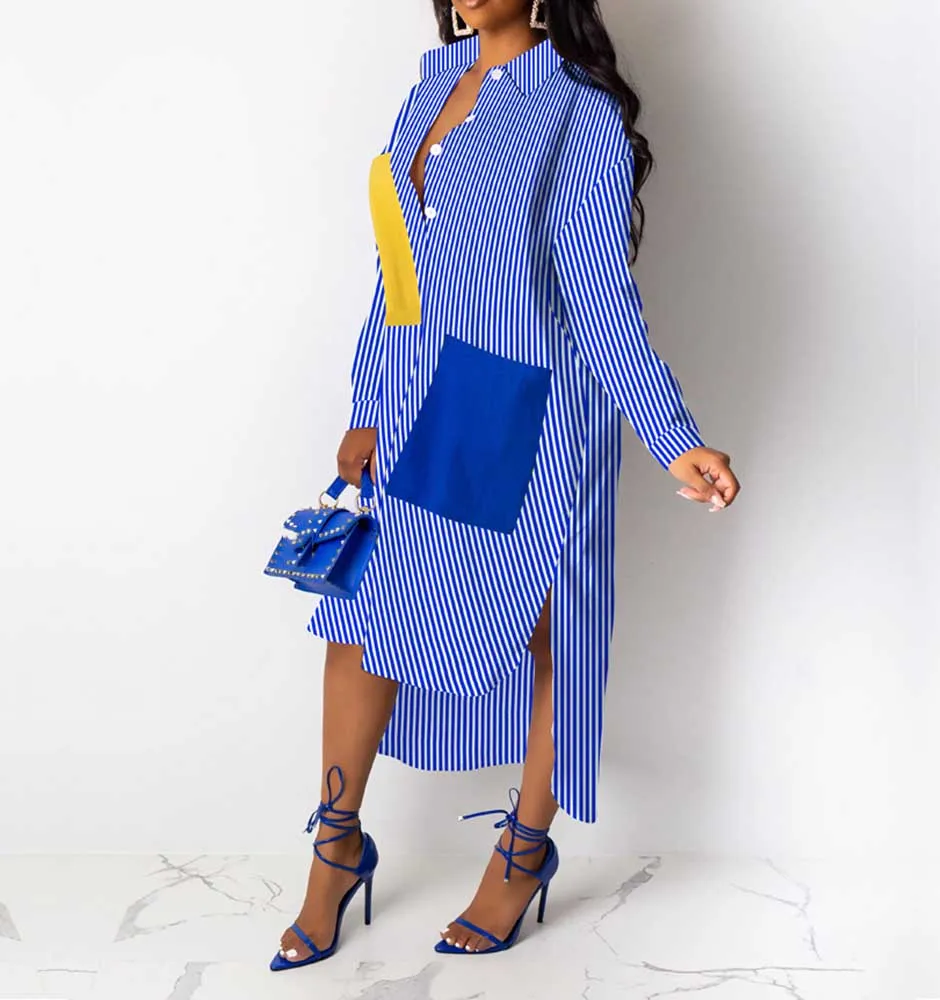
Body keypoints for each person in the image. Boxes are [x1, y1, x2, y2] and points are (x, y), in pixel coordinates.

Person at [270, 0, 741, 970]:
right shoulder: (430, 87)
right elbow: (395, 264)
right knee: (362, 612)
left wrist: (672, 437)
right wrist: (368, 399)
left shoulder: (575, 109)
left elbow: (598, 289)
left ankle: (524, 852)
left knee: (547, 623)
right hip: (416, 395)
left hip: (524, 406)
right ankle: (335, 846)